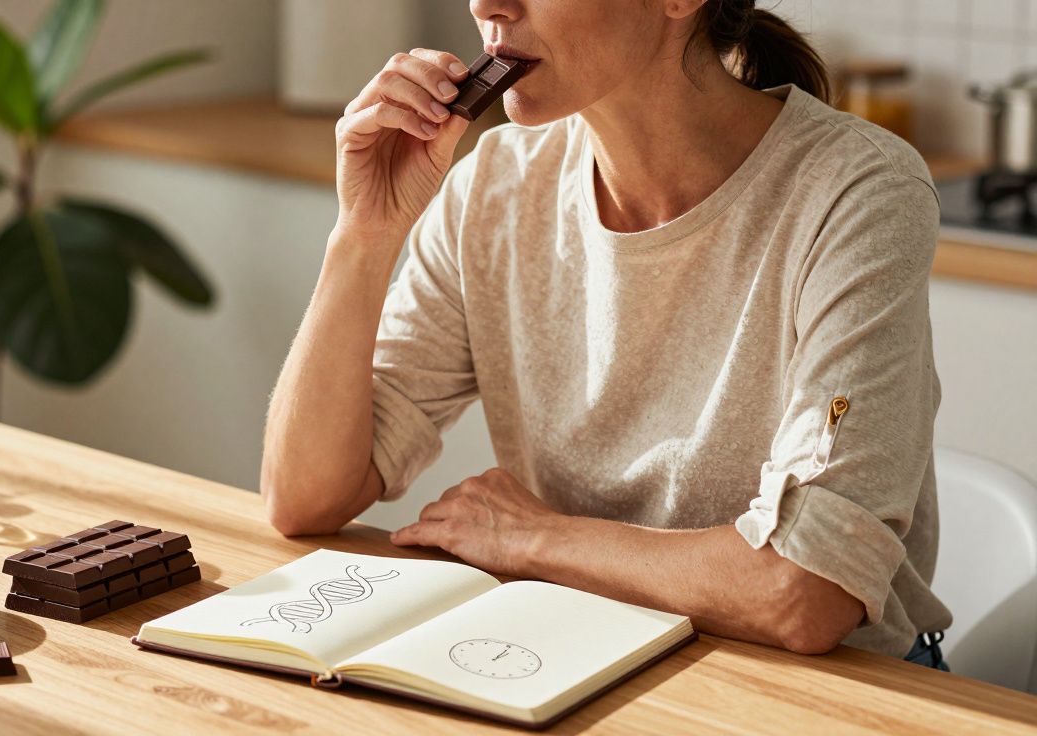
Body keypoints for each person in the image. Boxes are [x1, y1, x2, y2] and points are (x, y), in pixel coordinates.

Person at [261, 0, 952, 666]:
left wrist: (535, 539)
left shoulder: (857, 190)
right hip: (580, 653)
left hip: (828, 697)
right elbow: (306, 497)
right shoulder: (494, 186)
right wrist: (363, 233)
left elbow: (805, 593)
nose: (488, 6)